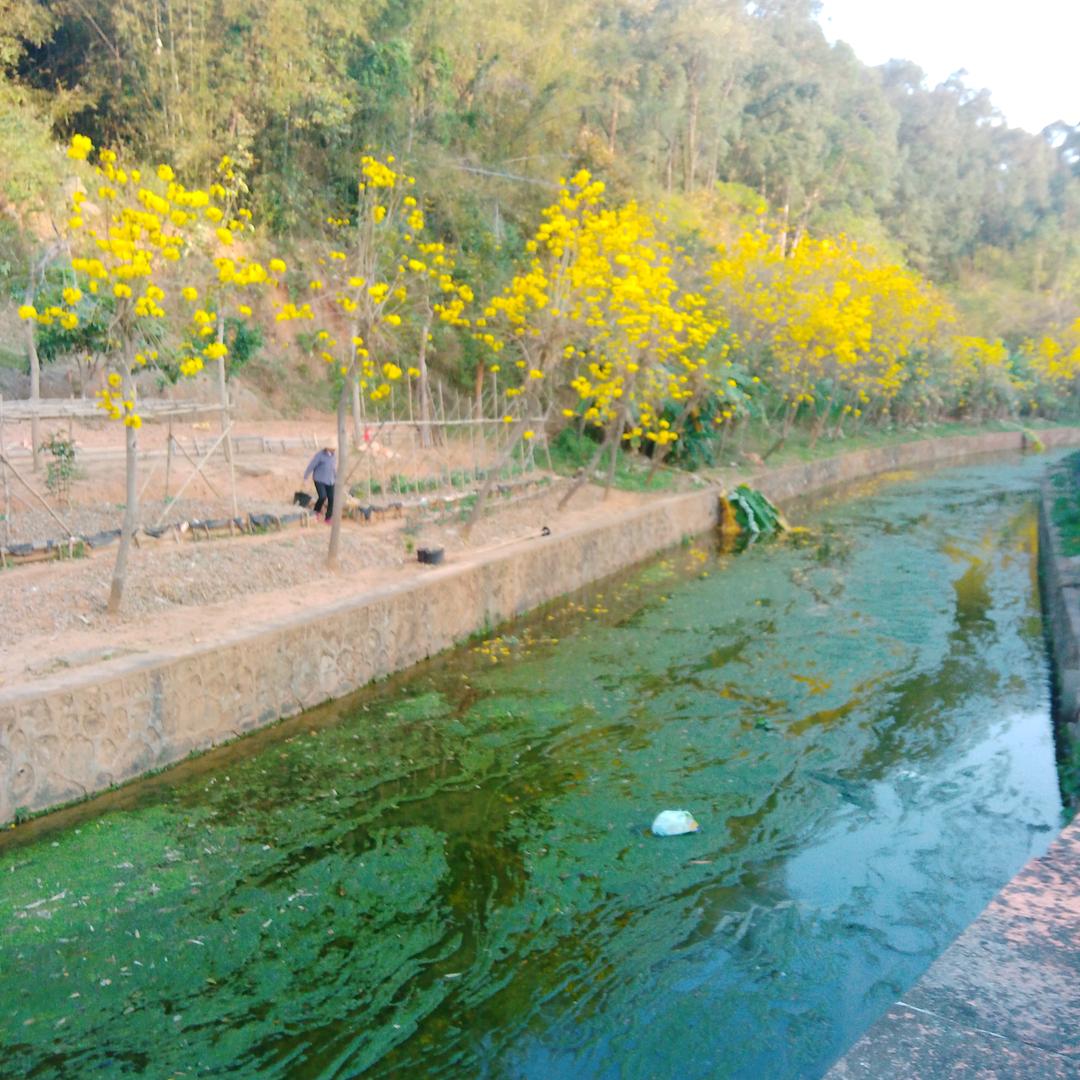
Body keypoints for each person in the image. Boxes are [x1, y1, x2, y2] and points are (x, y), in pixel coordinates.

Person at [303, 445, 336, 522]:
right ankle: (315, 512)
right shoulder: (320, 455)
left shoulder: (334, 456)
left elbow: (333, 468)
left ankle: (328, 518)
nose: (334, 450)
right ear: (327, 448)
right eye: (332, 448)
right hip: (319, 479)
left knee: (332, 498)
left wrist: (336, 478)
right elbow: (312, 465)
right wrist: (306, 476)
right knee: (322, 496)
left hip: (330, 480)